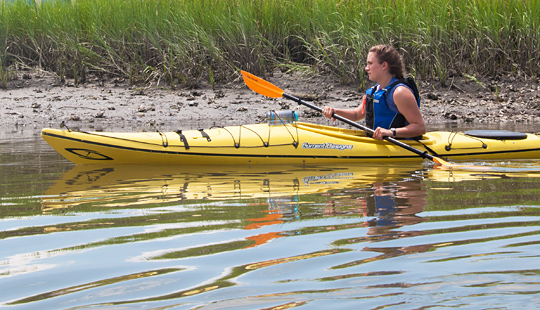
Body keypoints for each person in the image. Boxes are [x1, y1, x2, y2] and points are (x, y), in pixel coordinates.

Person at [322, 45, 426, 140]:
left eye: (370, 63)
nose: (366, 68)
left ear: (384, 66)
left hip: (401, 145)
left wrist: (390, 132)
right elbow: (356, 115)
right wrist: (334, 111)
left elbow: (420, 127)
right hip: (380, 142)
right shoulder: (376, 90)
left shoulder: (400, 92)